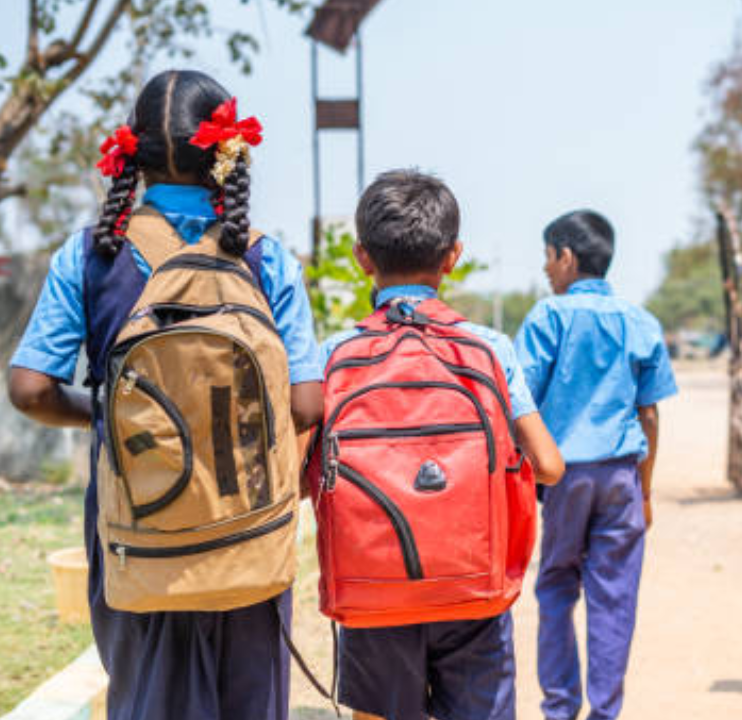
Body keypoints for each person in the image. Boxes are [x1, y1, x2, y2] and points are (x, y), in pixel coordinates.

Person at [7, 70, 324, 720]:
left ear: (133, 152)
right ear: (227, 154)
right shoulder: (266, 260)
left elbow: (31, 388)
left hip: (135, 522)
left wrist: (100, 414)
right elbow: (306, 407)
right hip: (247, 524)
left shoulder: (91, 256)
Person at [319, 170, 563, 720]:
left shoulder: (335, 354)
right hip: (473, 587)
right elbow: (549, 464)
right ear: (452, 257)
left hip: (370, 591)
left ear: (362, 257)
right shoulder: (490, 348)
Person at [516, 209, 678, 720]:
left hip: (563, 476)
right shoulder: (641, 321)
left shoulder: (548, 317)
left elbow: (522, 403)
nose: (546, 269)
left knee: (557, 586)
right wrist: (646, 492)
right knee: (615, 596)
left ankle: (560, 708)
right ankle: (605, 711)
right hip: (623, 477)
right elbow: (649, 415)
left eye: (548, 256)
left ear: (567, 256)